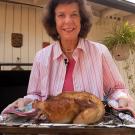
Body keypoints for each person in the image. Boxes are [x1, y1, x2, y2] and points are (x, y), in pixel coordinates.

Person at [2, 0, 134, 116]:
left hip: (92, 128)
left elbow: (115, 90)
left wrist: (123, 99)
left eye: (74, 14)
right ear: (53, 21)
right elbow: (35, 95)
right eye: (61, 15)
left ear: (82, 19)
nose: (68, 21)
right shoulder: (41, 57)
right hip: (51, 129)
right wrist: (26, 101)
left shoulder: (100, 52)